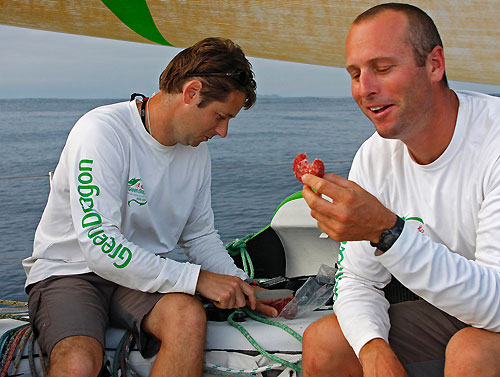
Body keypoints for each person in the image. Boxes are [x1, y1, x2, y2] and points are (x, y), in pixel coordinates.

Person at [23, 37, 279, 377]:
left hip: (139, 278)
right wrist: (198, 279)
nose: (223, 132)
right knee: (79, 362)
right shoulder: (101, 132)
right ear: (191, 92)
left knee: (187, 316)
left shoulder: (196, 152)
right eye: (220, 116)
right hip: (71, 272)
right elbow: (100, 245)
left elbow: (199, 235)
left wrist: (241, 284)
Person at [300, 3, 500, 377]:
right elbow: (358, 279)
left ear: (435, 65)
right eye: (355, 74)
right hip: (452, 313)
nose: (365, 89)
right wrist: (374, 350)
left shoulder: (493, 142)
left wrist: (387, 233)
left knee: (472, 351)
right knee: (325, 344)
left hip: (492, 312)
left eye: (383, 68)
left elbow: (496, 305)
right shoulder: (374, 156)